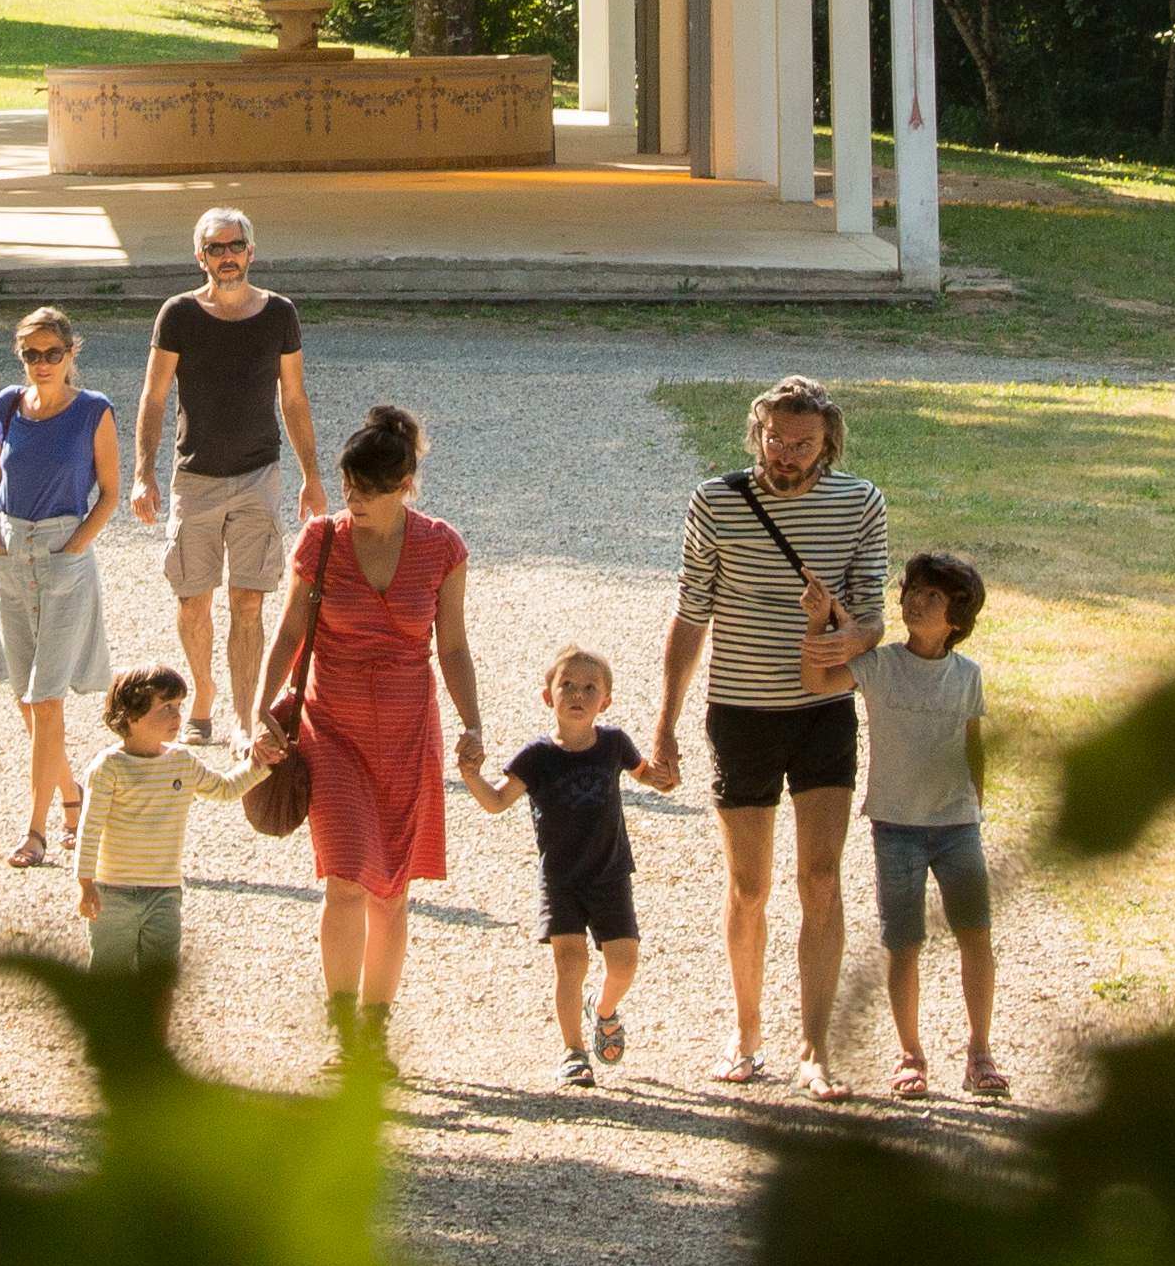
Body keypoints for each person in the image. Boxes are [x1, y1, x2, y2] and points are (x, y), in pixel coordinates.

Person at [653, 372, 887, 1092]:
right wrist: (664, 725)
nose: (787, 455)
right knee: (750, 886)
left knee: (820, 879)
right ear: (757, 433)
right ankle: (747, 1033)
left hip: (823, 711)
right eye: (777, 441)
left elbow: (875, 616)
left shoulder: (861, 503)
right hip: (741, 711)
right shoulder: (717, 501)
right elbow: (692, 614)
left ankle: (817, 1048)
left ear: (829, 443)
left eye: (803, 444)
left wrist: (843, 642)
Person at [255, 400, 486, 1071]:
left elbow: (455, 649)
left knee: (393, 890)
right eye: (349, 485)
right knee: (346, 881)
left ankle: (376, 1028)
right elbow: (291, 633)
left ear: (404, 484)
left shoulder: (442, 547)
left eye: (368, 489)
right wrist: (259, 710)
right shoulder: (320, 540)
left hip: (411, 735)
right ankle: (342, 1030)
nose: (352, 499)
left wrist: (473, 723)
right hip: (334, 732)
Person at [132, 208, 326, 743]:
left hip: (257, 476)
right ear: (200, 257)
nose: (226, 257)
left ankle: (245, 720)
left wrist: (311, 475)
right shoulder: (178, 315)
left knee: (248, 600)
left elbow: (294, 397)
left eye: (234, 246)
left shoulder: (279, 314)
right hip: (193, 477)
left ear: (251, 251)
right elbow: (154, 396)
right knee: (193, 600)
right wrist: (143, 474)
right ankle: (204, 692)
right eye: (215, 248)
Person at [473, 648, 676, 1087]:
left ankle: (602, 1010)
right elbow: (496, 802)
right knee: (570, 963)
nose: (578, 695)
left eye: (590, 688)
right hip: (560, 880)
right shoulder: (536, 757)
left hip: (610, 874)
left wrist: (662, 777)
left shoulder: (615, 744)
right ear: (548, 696)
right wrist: (470, 774)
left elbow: (645, 774)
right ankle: (573, 1052)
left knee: (623, 964)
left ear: (606, 701)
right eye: (567, 685)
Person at [0, 309, 124, 869]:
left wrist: (74, 547)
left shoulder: (93, 411)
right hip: (11, 554)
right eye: (31, 356)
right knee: (24, 698)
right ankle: (73, 799)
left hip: (64, 554)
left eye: (51, 354)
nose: (41, 365)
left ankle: (34, 831)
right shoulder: (8, 406)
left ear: (70, 354)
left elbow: (109, 492)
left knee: (47, 699)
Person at [858, 550, 999, 1102]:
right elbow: (819, 677)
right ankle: (910, 1052)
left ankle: (980, 1050)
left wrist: (974, 806)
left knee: (975, 934)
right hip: (894, 825)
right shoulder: (881, 664)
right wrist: (834, 625)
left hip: (957, 825)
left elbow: (974, 742)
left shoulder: (968, 675)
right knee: (904, 941)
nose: (917, 602)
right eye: (913, 591)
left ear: (957, 619)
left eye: (933, 597)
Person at [74, 665, 256, 985]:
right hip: (112, 893)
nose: (177, 717)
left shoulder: (182, 762)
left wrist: (260, 765)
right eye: (166, 707)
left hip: (165, 894)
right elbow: (90, 829)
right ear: (131, 715)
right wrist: (85, 883)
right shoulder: (109, 768)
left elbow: (225, 788)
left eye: (179, 707)